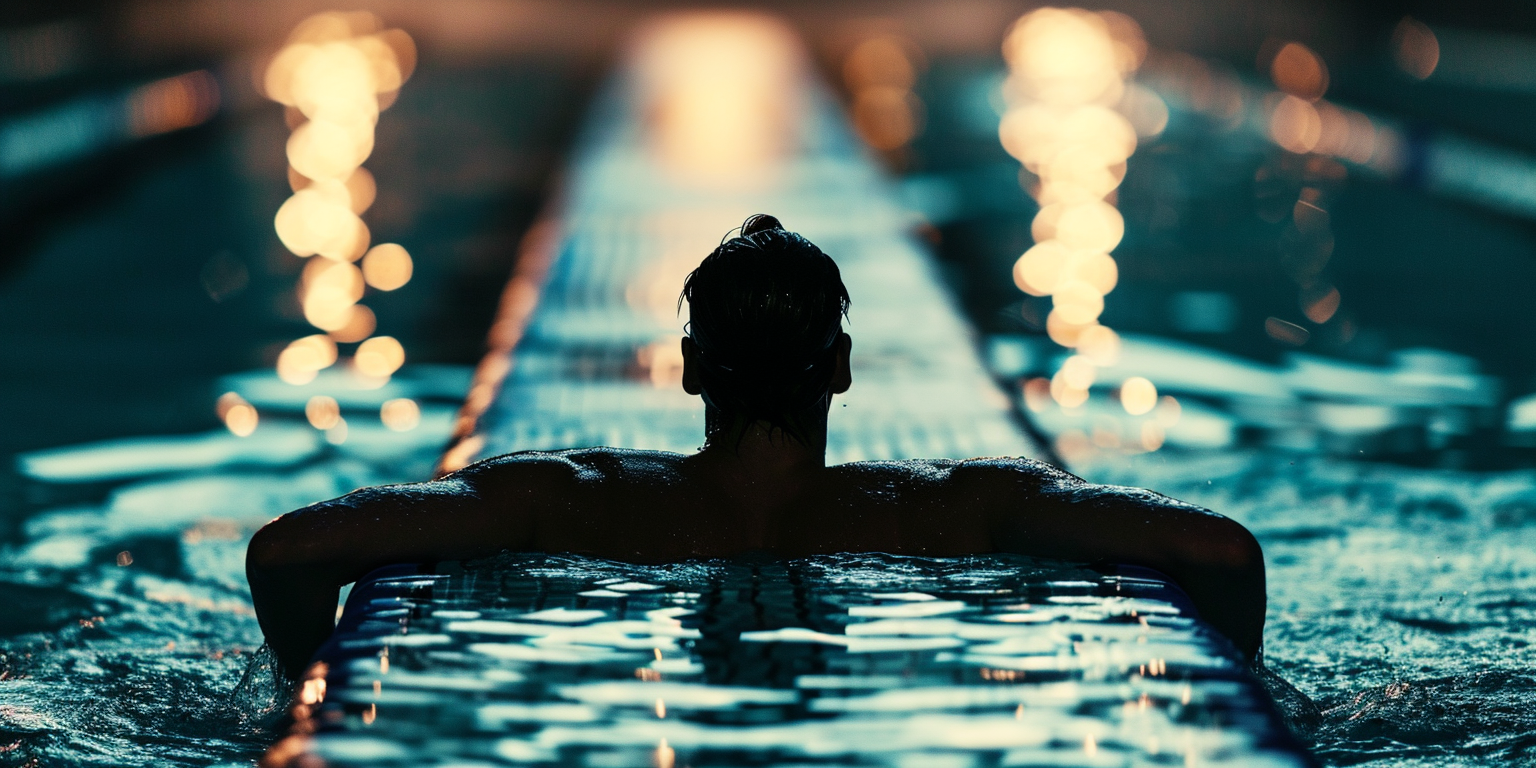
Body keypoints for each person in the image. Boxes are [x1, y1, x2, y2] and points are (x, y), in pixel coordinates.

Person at [246, 214, 1265, 679]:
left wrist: (303, 698)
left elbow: (287, 552)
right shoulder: (952, 505)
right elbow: (1222, 552)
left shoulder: (566, 498)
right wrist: (1249, 693)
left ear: (691, 369)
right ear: (842, 368)